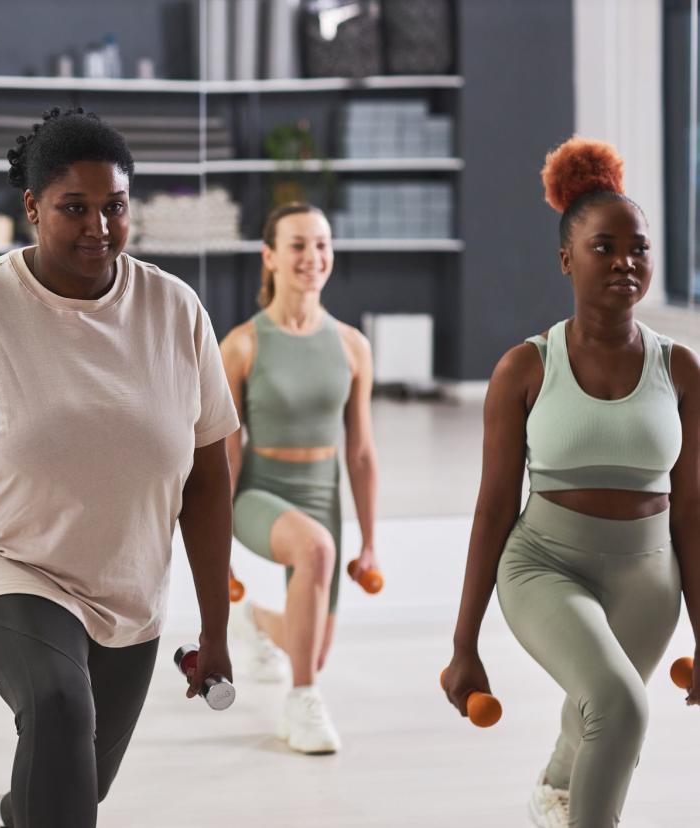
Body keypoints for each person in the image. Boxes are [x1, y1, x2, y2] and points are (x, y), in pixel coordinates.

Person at [0, 107, 239, 828]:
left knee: (74, 788)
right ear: (33, 208)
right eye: (75, 208)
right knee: (59, 707)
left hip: (129, 587)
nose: (99, 226)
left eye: (115, 206)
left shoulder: (175, 310)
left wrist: (218, 629)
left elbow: (206, 480)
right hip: (6, 564)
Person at [443, 137, 700, 827]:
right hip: (544, 566)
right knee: (620, 705)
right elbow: (494, 507)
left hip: (651, 579)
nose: (626, 261)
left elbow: (694, 515)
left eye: (640, 247)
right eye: (604, 246)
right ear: (566, 259)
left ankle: (556, 791)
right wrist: (463, 645)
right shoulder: (524, 368)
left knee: (597, 715)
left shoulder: (682, 371)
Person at [219, 203, 379, 754]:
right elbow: (226, 455)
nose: (312, 257)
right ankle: (302, 703)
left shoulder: (353, 345)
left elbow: (360, 454)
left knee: (313, 643)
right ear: (269, 257)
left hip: (323, 497)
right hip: (258, 494)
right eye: (298, 245)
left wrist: (372, 542)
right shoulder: (241, 345)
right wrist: (217, 544)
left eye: (321, 244)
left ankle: (257, 622)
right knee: (314, 549)